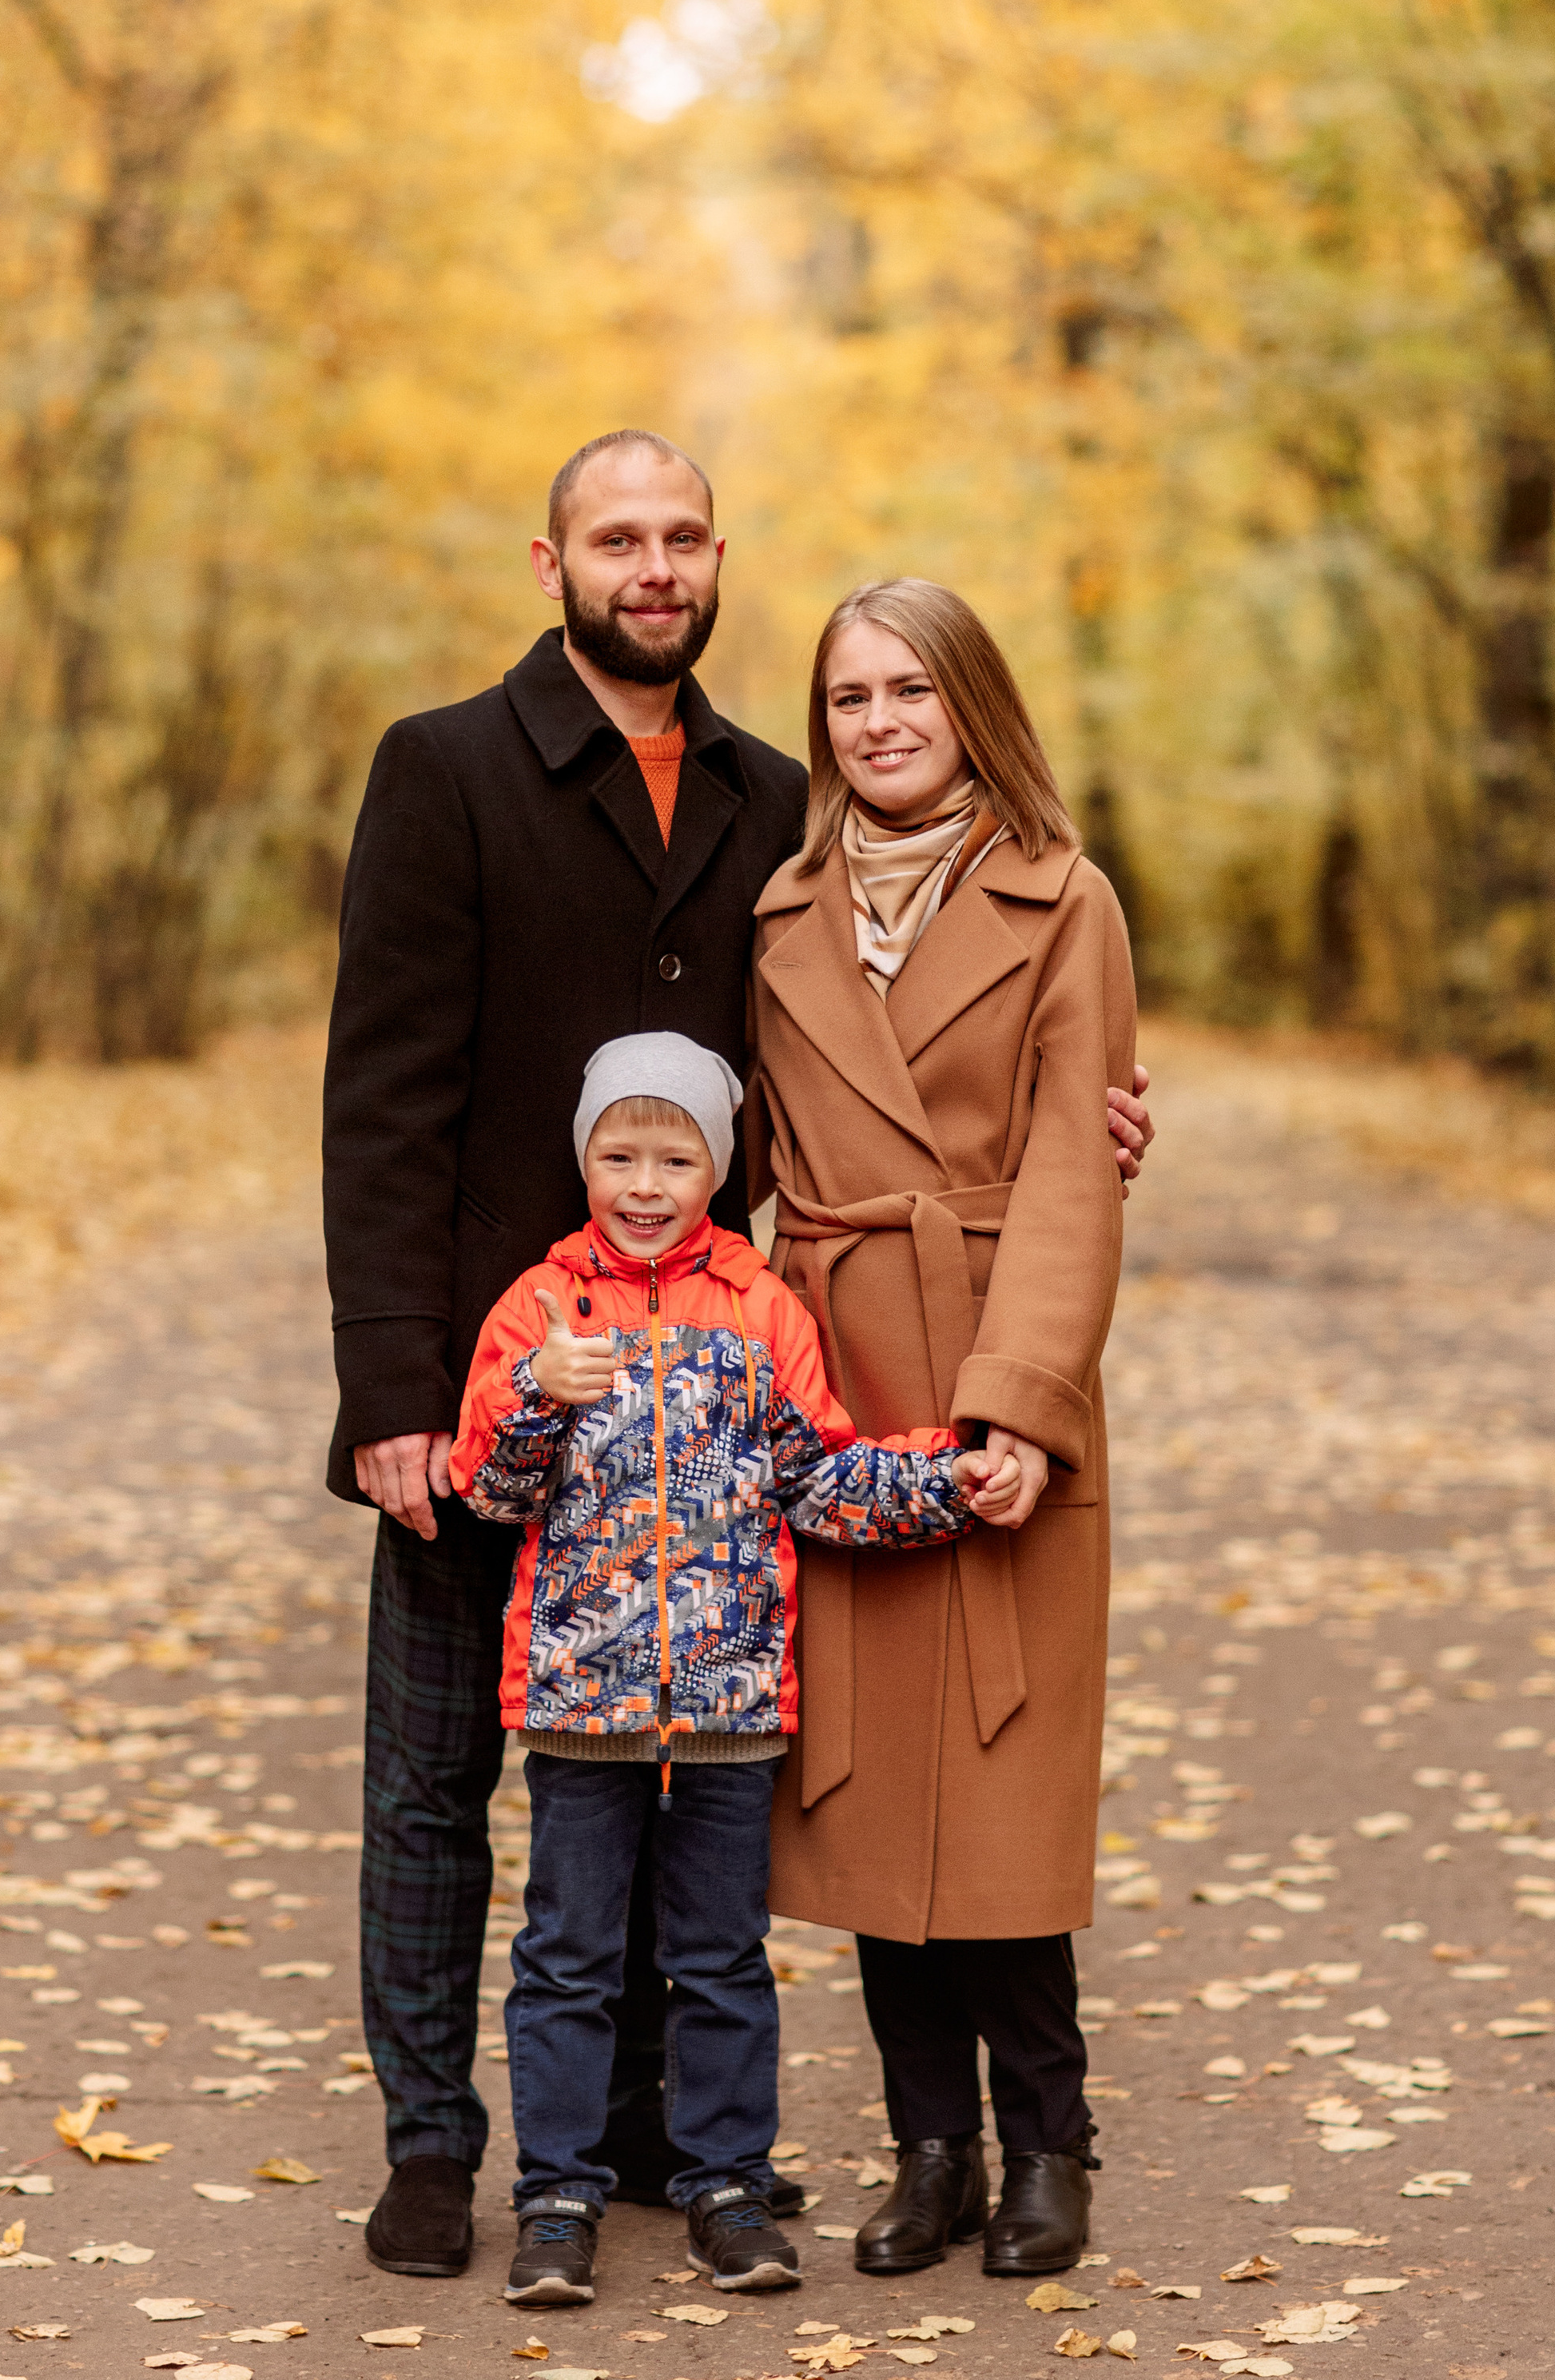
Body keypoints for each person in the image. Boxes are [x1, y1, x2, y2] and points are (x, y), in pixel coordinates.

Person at [322, 431, 1155, 2281]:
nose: (652, 564)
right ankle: (433, 2145)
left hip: (738, 1394)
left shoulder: (773, 804)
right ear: (549, 563)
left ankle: (671, 2139)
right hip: (510, 1379)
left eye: (682, 535)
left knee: (705, 1758)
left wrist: (1071, 1149)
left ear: (715, 563)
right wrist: (391, 1384)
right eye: (616, 537)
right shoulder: (449, 770)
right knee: (441, 1783)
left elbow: (793, 1115)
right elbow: (375, 1096)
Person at [451, 1032, 1013, 2310]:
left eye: (675, 1155)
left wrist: (954, 1478)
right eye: (618, 1153)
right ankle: (556, 2197)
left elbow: (822, 1475)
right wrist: (540, 1394)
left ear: (717, 1167)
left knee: (719, 1956)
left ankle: (725, 2186)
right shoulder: (541, 1308)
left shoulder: (762, 1309)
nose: (644, 1183)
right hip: (580, 1706)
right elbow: (491, 1487)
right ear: (583, 1157)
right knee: (570, 1957)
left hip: (730, 1704)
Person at [748, 577, 1138, 2282]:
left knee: (1000, 1786)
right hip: (833, 1381)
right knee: (862, 1791)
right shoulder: (781, 912)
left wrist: (1026, 1409)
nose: (880, 722)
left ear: (970, 705)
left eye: (910, 689)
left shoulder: (1065, 900)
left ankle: (1047, 2143)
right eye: (848, 699)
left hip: (993, 1360)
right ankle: (930, 2149)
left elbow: (1070, 1160)